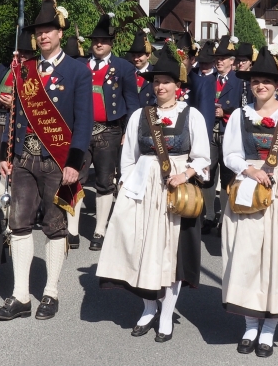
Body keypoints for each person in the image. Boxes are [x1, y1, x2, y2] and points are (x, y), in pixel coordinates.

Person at [97, 45, 210, 342]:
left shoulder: (192, 116)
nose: (160, 87)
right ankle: (148, 309)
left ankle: (167, 314)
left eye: (166, 82)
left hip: (176, 192)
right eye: (157, 82)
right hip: (143, 189)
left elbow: (203, 158)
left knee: (171, 255)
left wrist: (184, 174)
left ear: (177, 85)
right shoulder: (140, 115)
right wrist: (127, 186)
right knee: (140, 249)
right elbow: (129, 159)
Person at [0, 0, 93, 322]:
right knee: (18, 223)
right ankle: (21, 296)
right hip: (23, 159)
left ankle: (50, 292)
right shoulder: (25, 70)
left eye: (49, 30)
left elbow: (84, 122)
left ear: (60, 33)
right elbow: (15, 115)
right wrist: (4, 153)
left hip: (57, 161)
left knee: (54, 225)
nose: (44, 35)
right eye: (39, 31)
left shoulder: (78, 71)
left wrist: (74, 163)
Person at [221, 46, 278, 358]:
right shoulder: (239, 115)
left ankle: (269, 329)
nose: (260, 86)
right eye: (255, 81)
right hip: (249, 187)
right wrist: (248, 169)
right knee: (247, 254)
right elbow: (230, 154)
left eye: (266, 81)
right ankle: (250, 325)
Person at [69, 13, 139, 251]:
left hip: (109, 131)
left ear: (111, 43)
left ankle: (100, 230)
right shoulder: (78, 65)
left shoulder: (124, 67)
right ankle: (72, 230)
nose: (99, 44)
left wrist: (128, 132)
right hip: (80, 131)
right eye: (95, 40)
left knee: (105, 181)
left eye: (104, 40)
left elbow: (132, 103)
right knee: (74, 177)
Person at [198, 36, 243, 235]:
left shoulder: (240, 81)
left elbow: (243, 109)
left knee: (227, 177)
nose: (219, 61)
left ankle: (224, 217)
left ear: (232, 61)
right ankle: (209, 215)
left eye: (223, 58)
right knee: (207, 175)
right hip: (209, 133)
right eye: (217, 58)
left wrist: (225, 112)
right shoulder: (208, 79)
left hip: (228, 133)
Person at [0, 30, 37, 135]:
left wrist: (14, 105)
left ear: (32, 54)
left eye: (27, 52)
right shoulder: (1, 69)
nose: (22, 55)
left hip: (19, 125)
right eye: (20, 51)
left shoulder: (36, 73)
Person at [127, 28, 155, 107]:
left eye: (139, 55)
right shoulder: (127, 72)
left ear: (148, 55)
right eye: (133, 55)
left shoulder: (154, 73)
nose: (136, 59)